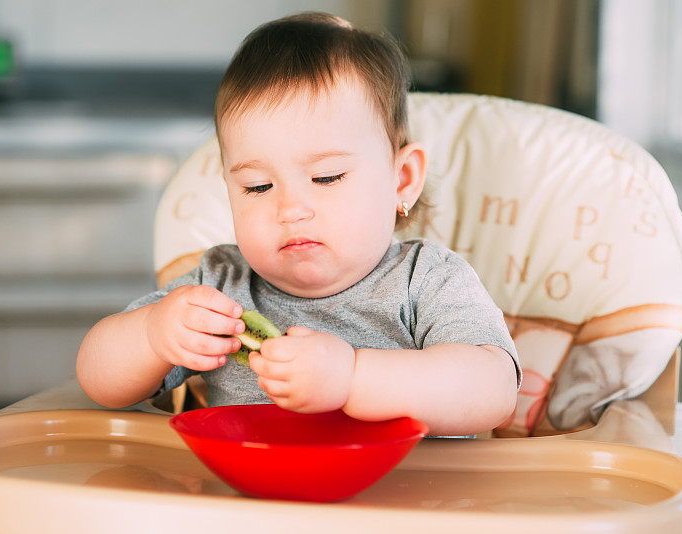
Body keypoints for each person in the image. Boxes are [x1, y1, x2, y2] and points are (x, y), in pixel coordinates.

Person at [76, 12, 520, 437]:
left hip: (411, 505)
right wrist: (154, 335)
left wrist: (351, 378)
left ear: (401, 180)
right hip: (254, 504)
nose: (291, 209)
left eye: (326, 177)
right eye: (258, 186)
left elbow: (493, 390)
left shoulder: (427, 280)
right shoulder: (221, 287)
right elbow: (98, 381)